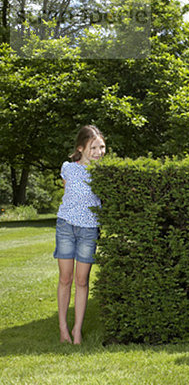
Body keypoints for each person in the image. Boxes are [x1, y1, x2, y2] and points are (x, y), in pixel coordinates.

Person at [54, 125, 106, 344]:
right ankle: (63, 328)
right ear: (81, 148)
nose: (98, 152)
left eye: (102, 147)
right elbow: (68, 194)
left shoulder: (104, 173)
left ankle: (77, 330)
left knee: (81, 280)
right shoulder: (68, 168)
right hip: (66, 226)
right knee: (65, 279)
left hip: (89, 230)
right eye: (93, 147)